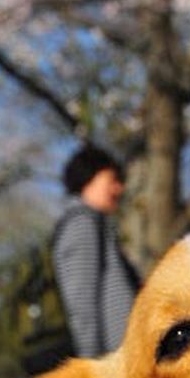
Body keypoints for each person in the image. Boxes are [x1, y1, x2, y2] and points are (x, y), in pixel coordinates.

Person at [54, 143, 140, 358]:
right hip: (111, 361)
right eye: (112, 180)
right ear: (88, 179)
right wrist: (93, 367)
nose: (118, 189)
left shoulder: (95, 224)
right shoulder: (81, 224)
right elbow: (81, 303)